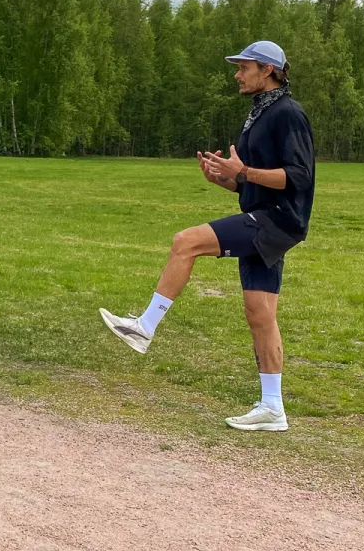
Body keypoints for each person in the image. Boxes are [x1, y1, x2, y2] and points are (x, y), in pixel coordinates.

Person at [99, 40, 315, 432]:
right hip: (262, 212)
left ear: (267, 70)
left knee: (186, 241)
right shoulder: (259, 112)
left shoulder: (288, 113)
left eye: (243, 67)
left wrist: (244, 172)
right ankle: (273, 409)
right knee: (260, 315)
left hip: (278, 219)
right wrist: (226, 180)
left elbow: (299, 177)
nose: (237, 74)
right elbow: (255, 183)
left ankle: (144, 327)